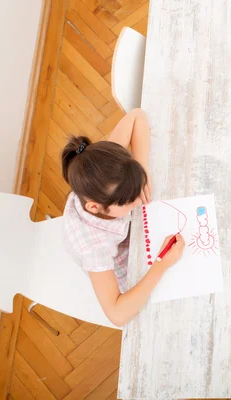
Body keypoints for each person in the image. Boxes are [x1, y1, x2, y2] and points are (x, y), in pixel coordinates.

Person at [61, 108, 185, 327]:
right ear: (96, 207)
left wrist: (139, 176)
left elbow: (137, 116)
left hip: (132, 234)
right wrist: (161, 265)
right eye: (129, 200)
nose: (139, 200)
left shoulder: (106, 171)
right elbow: (117, 315)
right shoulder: (93, 247)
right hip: (123, 263)